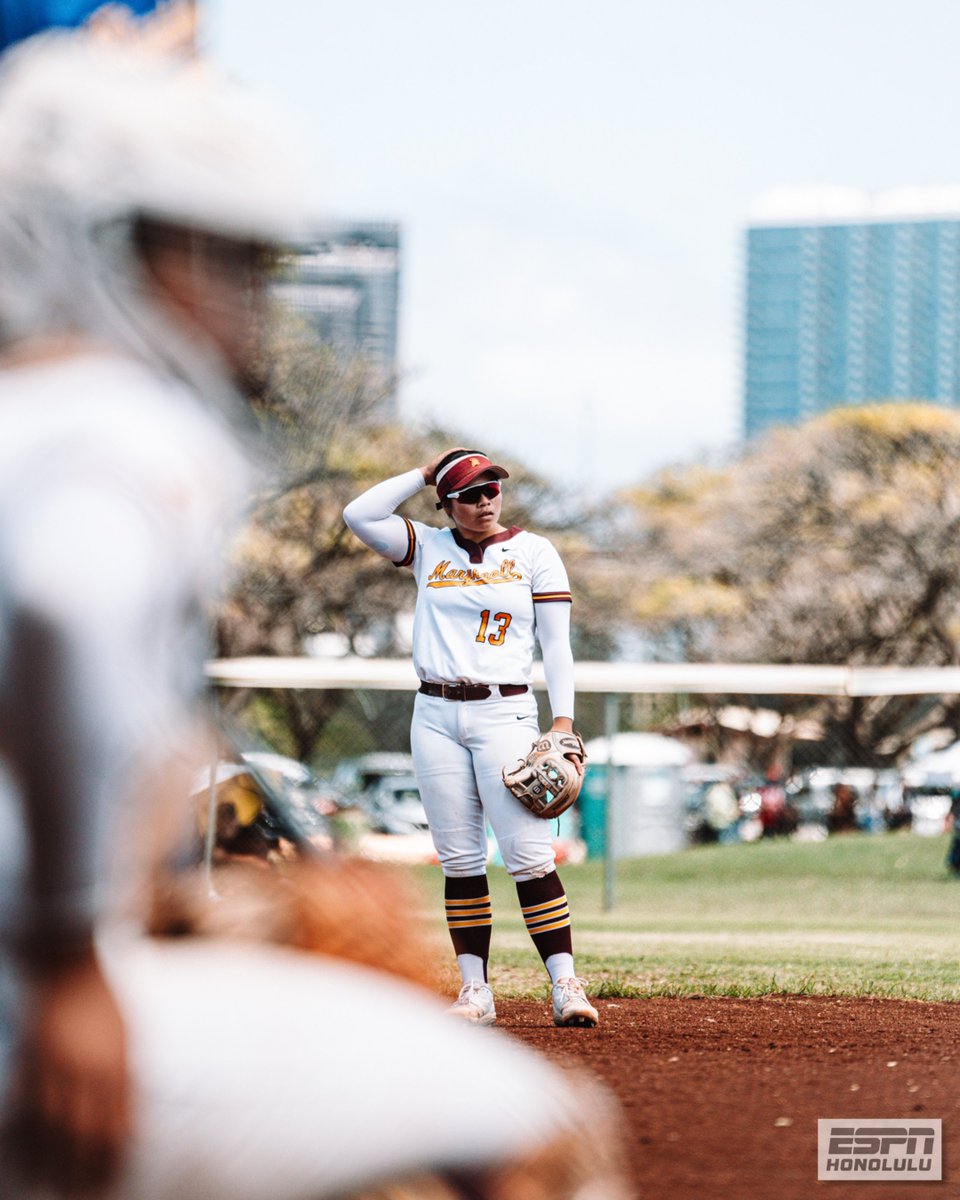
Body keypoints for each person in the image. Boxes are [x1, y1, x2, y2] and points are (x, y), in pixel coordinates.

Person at [0, 30, 625, 1200]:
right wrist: (72, 953)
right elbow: (67, 603)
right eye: (219, 256)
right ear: (96, 245)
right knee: (544, 1130)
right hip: (30, 1001)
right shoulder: (119, 424)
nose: (252, 296)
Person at [343, 448, 598, 1028]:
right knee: (460, 861)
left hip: (504, 712)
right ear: (447, 503)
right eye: (469, 494)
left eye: (491, 490)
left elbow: (556, 645)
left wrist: (563, 721)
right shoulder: (427, 547)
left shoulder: (533, 551)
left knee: (529, 857)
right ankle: (475, 991)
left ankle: (565, 985)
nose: (485, 501)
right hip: (435, 713)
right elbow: (359, 514)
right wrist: (423, 473)